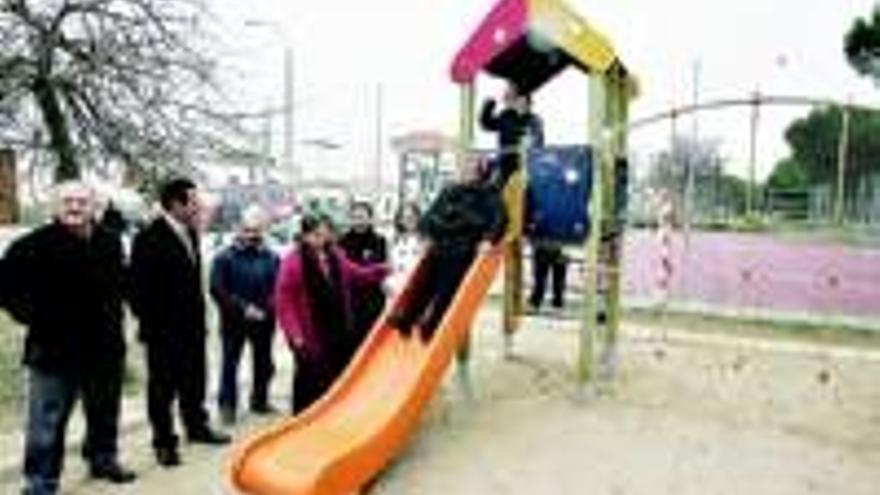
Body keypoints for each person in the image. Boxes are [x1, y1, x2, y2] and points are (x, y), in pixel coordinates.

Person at [1, 182, 135, 494]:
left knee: (104, 412)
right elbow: (5, 287)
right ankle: (41, 481)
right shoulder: (32, 245)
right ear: (54, 207)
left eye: (81, 202)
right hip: (53, 350)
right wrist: (32, 315)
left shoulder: (110, 242)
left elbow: (121, 285)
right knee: (47, 423)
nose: (74, 207)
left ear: (93, 206)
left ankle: (103, 459)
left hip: (104, 347)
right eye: (67, 202)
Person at [129, 177, 229, 469]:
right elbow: (138, 292)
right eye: (193, 201)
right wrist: (156, 327)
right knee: (162, 389)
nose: (198, 206)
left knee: (194, 382)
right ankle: (164, 443)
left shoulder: (191, 234)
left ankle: (196, 427)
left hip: (193, 329)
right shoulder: (148, 238)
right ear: (176, 204)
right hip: (163, 333)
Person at [275, 214, 388, 414]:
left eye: (325, 233)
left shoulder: (335, 255)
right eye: (316, 234)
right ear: (304, 235)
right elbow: (284, 302)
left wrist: (381, 270)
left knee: (336, 377)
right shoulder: (292, 262)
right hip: (309, 335)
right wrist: (295, 335)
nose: (321, 238)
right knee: (308, 382)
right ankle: (303, 421)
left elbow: (356, 274)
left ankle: (332, 416)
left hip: (338, 330)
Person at [390, 154, 508, 342]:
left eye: (471, 166)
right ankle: (407, 319)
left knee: (447, 288)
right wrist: (426, 232)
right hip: (440, 243)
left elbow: (499, 220)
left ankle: (431, 325)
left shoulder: (488, 193)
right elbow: (430, 215)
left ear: (481, 170)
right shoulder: (450, 190)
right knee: (425, 284)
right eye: (464, 166)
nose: (466, 170)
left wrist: (488, 239)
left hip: (462, 247)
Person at [209, 205, 280, 425]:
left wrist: (266, 309)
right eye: (248, 230)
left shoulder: (272, 257)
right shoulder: (224, 258)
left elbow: (279, 287)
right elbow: (218, 290)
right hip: (234, 321)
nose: (252, 235)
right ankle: (227, 406)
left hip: (264, 320)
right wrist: (244, 308)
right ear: (239, 229)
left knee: (264, 363)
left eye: (257, 230)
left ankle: (259, 400)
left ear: (264, 230)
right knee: (230, 364)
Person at [338, 201, 388, 343]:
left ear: (370, 218)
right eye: (355, 217)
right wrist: (366, 271)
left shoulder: (379, 241)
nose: (359, 221)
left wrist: (365, 272)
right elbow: (344, 271)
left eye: (362, 217)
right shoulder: (342, 242)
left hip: (373, 301)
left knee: (371, 342)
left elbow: (380, 269)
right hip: (350, 302)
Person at [480, 83, 534, 188]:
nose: (505, 98)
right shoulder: (505, 115)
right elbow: (486, 124)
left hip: (523, 166)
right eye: (506, 95)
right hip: (505, 164)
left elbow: (534, 141)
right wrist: (489, 105)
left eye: (509, 95)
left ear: (522, 99)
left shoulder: (534, 120)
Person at [386, 202, 422, 294]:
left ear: (418, 218)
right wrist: (387, 283)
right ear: (399, 220)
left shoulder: (424, 240)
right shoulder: (394, 241)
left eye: (413, 216)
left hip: (418, 288)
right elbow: (390, 268)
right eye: (405, 217)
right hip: (396, 289)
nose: (410, 220)